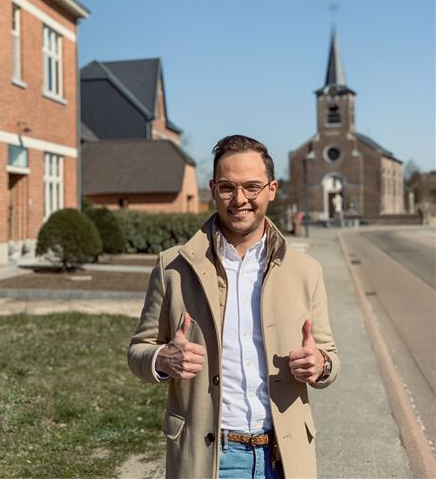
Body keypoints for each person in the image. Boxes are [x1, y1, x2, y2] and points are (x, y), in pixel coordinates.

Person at [128, 135, 339, 479]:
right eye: (228, 187)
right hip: (210, 458)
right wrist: (161, 359)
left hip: (284, 457)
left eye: (252, 187)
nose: (240, 200)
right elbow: (137, 351)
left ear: (272, 189)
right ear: (212, 189)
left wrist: (321, 364)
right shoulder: (173, 267)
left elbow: (329, 356)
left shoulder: (306, 270)